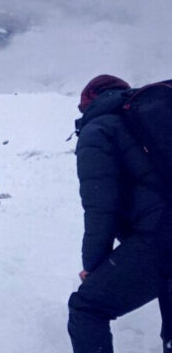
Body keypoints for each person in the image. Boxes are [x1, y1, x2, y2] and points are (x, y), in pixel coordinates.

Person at [67, 74, 172, 353]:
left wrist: (93, 266)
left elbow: (100, 208)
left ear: (89, 99)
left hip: (162, 237)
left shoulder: (99, 130)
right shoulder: (152, 118)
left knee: (87, 307)